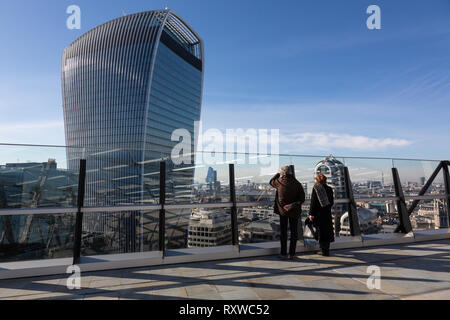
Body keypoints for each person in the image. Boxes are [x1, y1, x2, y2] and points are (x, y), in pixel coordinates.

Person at [270, 166, 305, 260]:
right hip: (294, 211)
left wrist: (278, 174)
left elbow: (271, 182)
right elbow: (302, 199)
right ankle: (292, 254)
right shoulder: (297, 184)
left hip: (283, 211)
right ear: (291, 173)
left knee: (283, 232)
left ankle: (283, 253)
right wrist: (292, 205)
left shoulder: (279, 182)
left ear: (283, 173)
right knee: (294, 233)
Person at [309, 173, 335, 256]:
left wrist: (311, 213)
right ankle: (326, 250)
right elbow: (331, 202)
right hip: (327, 213)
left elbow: (313, 202)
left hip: (318, 213)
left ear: (317, 180)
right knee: (327, 231)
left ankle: (322, 250)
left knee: (320, 231)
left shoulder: (316, 188)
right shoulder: (329, 189)